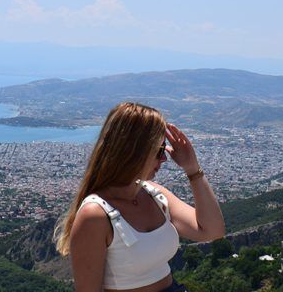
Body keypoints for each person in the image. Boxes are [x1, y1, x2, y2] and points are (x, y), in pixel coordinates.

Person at [54, 102, 225, 292]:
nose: (164, 159)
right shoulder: (95, 215)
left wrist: (192, 169)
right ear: (134, 151)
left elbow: (212, 231)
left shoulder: (155, 195)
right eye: (159, 150)